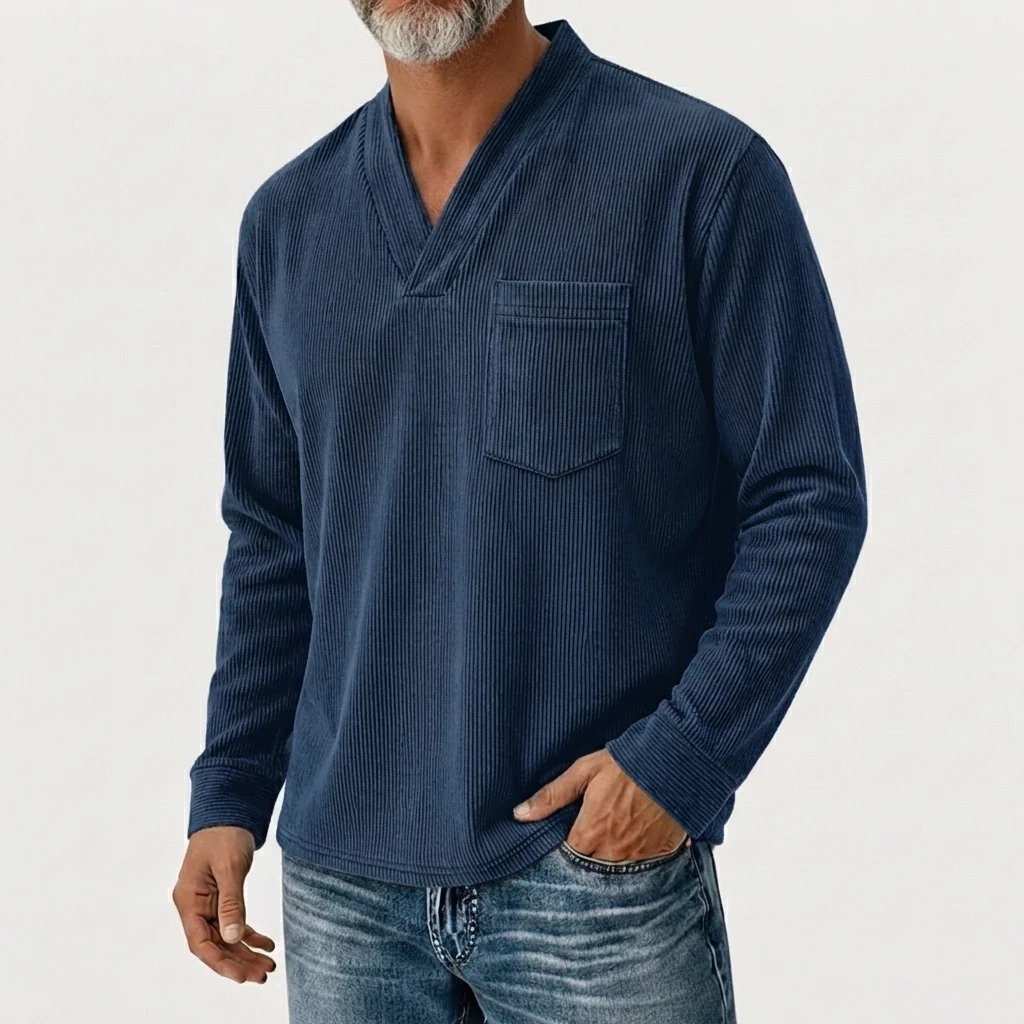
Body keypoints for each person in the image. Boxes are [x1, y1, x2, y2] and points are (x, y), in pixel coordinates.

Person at [172, 3, 868, 1021]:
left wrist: (679, 762)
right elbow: (275, 538)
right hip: (342, 893)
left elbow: (808, 492)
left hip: (591, 878)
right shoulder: (289, 221)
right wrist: (230, 790)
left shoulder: (699, 174)